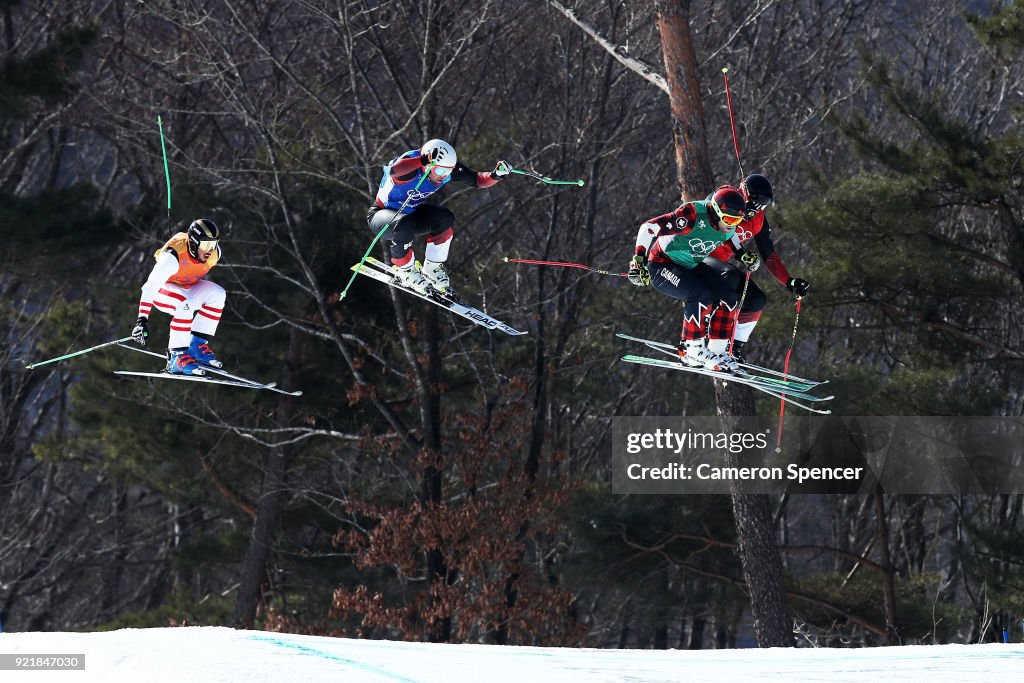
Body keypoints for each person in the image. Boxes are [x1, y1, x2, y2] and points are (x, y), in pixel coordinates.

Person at [627, 186, 749, 372]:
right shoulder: (691, 216)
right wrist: (638, 261)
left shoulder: (730, 226)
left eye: (738, 220)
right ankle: (692, 349)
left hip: (691, 265)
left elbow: (731, 238)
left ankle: (717, 351)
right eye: (729, 219)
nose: (732, 224)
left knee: (728, 297)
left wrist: (742, 253)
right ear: (716, 212)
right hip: (662, 264)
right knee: (699, 294)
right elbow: (648, 228)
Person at [367, 139, 510, 295]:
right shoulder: (411, 168)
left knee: (445, 218)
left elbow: (477, 180)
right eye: (441, 171)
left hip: (410, 216)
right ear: (428, 165)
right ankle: (405, 270)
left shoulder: (447, 170)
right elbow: (395, 170)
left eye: (448, 172)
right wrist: (422, 160)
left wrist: (496, 175)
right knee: (404, 221)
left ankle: (432, 267)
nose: (444, 176)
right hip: (381, 217)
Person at [703, 173, 810, 362]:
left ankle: (734, 348)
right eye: (753, 206)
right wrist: (740, 253)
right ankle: (703, 338)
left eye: (761, 208)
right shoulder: (727, 197)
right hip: (698, 258)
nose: (754, 211)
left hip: (720, 265)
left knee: (756, 299)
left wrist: (789, 281)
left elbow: (769, 254)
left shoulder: (758, 219)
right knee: (730, 278)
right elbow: (709, 205)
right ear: (745, 195)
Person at [130, 218, 226, 376]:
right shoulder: (172, 258)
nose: (210, 250)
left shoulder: (214, 254)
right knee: (185, 304)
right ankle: (176, 358)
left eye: (213, 244)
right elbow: (149, 287)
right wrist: (142, 320)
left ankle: (196, 346)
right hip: (162, 290)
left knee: (218, 294)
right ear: (194, 242)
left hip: (186, 288)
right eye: (206, 245)